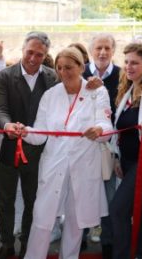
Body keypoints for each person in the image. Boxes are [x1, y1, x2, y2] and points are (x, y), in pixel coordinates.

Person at [22, 47, 113, 259]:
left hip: (84, 165)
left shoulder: (97, 92)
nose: (64, 72)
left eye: (69, 67)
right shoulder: (50, 95)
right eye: (60, 68)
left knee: (75, 221)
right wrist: (23, 131)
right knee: (42, 219)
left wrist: (99, 130)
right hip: (54, 164)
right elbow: (41, 134)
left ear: (81, 67)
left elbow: (105, 125)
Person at [0, 31, 58, 259]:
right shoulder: (4, 76)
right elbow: (0, 108)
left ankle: (27, 245)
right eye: (30, 52)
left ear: (45, 55)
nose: (33, 58)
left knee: (34, 201)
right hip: (8, 148)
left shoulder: (53, 78)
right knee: (5, 200)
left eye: (39, 55)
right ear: (22, 49)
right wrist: (7, 125)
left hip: (38, 151)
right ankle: (6, 243)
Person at [109, 42, 142, 259]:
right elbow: (121, 131)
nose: (128, 67)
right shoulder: (127, 92)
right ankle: (136, 253)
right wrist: (117, 159)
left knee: (118, 210)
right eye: (126, 62)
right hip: (126, 162)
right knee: (133, 212)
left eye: (135, 62)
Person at [82, 33, 120, 257]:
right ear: (91, 51)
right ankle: (81, 238)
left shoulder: (122, 75)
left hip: (109, 146)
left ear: (113, 50)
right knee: (82, 192)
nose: (103, 52)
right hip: (83, 144)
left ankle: (107, 242)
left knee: (108, 196)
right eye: (98, 48)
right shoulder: (81, 73)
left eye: (107, 48)